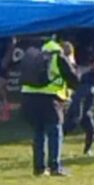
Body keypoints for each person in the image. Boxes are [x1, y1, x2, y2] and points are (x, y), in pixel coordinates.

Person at [21, 39, 77, 177]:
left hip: (29, 96)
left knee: (38, 132)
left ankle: (39, 168)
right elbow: (72, 78)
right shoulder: (57, 55)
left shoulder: (36, 52)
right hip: (50, 98)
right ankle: (55, 166)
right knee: (55, 131)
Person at [64, 58, 94, 156]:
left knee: (91, 130)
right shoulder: (89, 87)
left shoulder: (90, 83)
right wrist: (78, 115)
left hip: (85, 111)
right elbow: (78, 99)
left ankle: (87, 150)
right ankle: (54, 146)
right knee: (67, 129)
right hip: (79, 112)